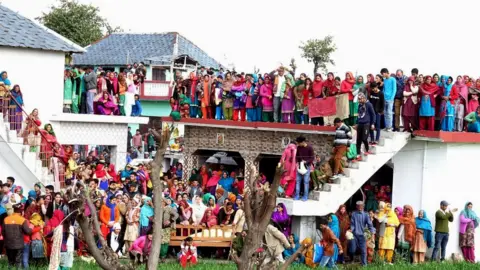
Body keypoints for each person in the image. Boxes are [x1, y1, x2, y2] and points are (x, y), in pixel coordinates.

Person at [4, 194, 33, 269]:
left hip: (8, 244)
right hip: (18, 245)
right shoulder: (22, 220)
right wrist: (31, 227)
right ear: (20, 210)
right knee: (18, 262)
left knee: (10, 262)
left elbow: (3, 233)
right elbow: (28, 232)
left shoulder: (6, 219)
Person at [349, 201, 375, 266]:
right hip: (354, 235)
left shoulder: (366, 215)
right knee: (352, 249)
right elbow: (352, 225)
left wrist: (372, 233)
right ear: (356, 207)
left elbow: (370, 225)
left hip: (362, 235)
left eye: (361, 206)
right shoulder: (353, 214)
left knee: (363, 250)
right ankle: (351, 259)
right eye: (358, 206)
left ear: (363, 206)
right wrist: (351, 230)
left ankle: (364, 264)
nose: (360, 207)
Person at [356, 93, 375, 160]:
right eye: (358, 99)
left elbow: (373, 114)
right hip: (360, 123)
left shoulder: (369, 105)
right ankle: (358, 155)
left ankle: (367, 150)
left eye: (360, 99)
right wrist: (356, 123)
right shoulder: (359, 105)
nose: (359, 100)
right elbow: (358, 114)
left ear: (364, 98)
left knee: (364, 138)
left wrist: (372, 123)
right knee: (358, 140)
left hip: (366, 124)